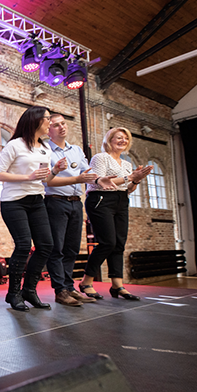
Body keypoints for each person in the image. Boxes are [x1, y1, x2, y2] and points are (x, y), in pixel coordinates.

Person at [0, 106, 68, 312]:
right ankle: (13, 293)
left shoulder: (45, 147)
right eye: (47, 119)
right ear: (35, 120)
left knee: (46, 245)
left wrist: (55, 170)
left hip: (37, 200)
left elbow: (45, 179)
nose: (50, 123)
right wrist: (28, 177)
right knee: (23, 245)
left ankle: (29, 290)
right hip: (14, 201)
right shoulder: (15, 145)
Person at [44, 114, 114, 306]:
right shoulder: (45, 151)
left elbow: (86, 172)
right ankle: (60, 290)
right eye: (56, 125)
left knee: (72, 248)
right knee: (57, 248)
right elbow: (46, 180)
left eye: (63, 123)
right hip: (55, 202)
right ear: (48, 130)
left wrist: (99, 180)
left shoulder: (75, 150)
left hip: (76, 202)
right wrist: (77, 179)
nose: (62, 127)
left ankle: (69, 287)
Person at [78, 127, 152, 301]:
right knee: (107, 242)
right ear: (109, 140)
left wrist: (136, 180)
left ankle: (117, 285)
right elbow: (100, 182)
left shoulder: (126, 164)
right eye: (119, 137)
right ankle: (86, 281)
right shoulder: (100, 157)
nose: (123, 140)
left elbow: (128, 188)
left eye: (126, 138)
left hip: (121, 200)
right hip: (101, 199)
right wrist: (129, 177)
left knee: (119, 243)